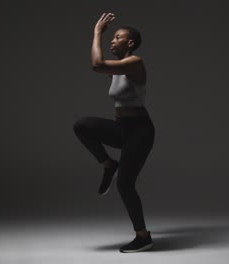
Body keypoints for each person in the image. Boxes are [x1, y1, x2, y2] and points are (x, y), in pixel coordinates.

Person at [73, 12, 155, 253]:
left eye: (117, 37)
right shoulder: (118, 69)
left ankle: (143, 236)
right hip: (122, 128)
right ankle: (108, 163)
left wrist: (98, 32)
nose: (112, 40)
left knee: (125, 185)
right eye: (112, 37)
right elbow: (103, 66)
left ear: (130, 43)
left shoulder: (135, 63)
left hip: (140, 132)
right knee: (83, 125)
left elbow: (96, 64)